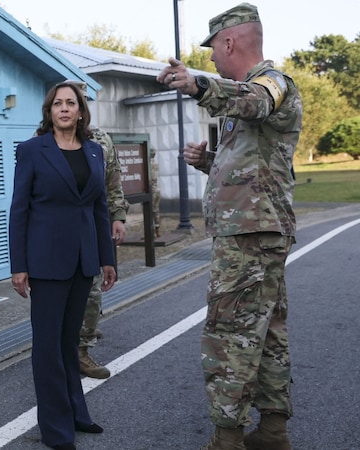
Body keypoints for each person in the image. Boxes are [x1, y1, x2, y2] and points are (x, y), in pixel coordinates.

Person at [157, 3, 301, 449]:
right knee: (267, 328)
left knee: (230, 332)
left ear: (230, 42)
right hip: (257, 230)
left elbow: (254, 101)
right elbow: (256, 169)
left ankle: (228, 437)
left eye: (215, 50)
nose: (213, 58)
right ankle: (273, 431)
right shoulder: (250, 95)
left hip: (249, 238)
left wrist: (199, 83)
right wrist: (209, 163)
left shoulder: (271, 83)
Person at [9, 81, 117, 450]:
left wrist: (107, 258)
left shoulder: (93, 152)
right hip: (45, 261)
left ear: (82, 111)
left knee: (70, 343)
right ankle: (55, 429)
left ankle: (76, 413)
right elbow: (19, 210)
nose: (65, 109)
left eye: (72, 103)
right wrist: (18, 265)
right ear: (49, 111)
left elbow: (99, 208)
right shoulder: (32, 151)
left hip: (83, 259)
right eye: (58, 104)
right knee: (47, 347)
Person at [78, 125, 128, 380]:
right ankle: (58, 353)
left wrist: (118, 216)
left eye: (79, 101)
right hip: (56, 230)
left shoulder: (101, 139)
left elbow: (113, 178)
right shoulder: (43, 138)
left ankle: (82, 351)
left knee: (92, 290)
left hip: (91, 225)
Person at [150, 147, 161, 238]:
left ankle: (152, 231)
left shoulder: (149, 164)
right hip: (157, 188)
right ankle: (157, 230)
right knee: (156, 210)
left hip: (152, 190)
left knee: (150, 211)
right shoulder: (156, 162)